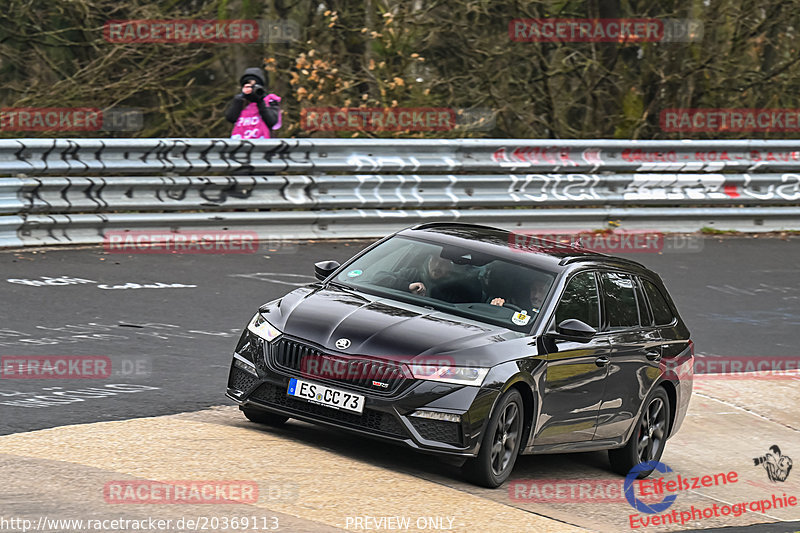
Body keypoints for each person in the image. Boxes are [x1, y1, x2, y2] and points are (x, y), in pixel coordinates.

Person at [225, 67, 282, 139]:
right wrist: (241, 98)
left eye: (254, 85)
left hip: (264, 144)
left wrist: (260, 101)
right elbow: (230, 118)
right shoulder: (240, 101)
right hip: (240, 143)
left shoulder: (269, 100)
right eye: (248, 85)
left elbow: (272, 122)